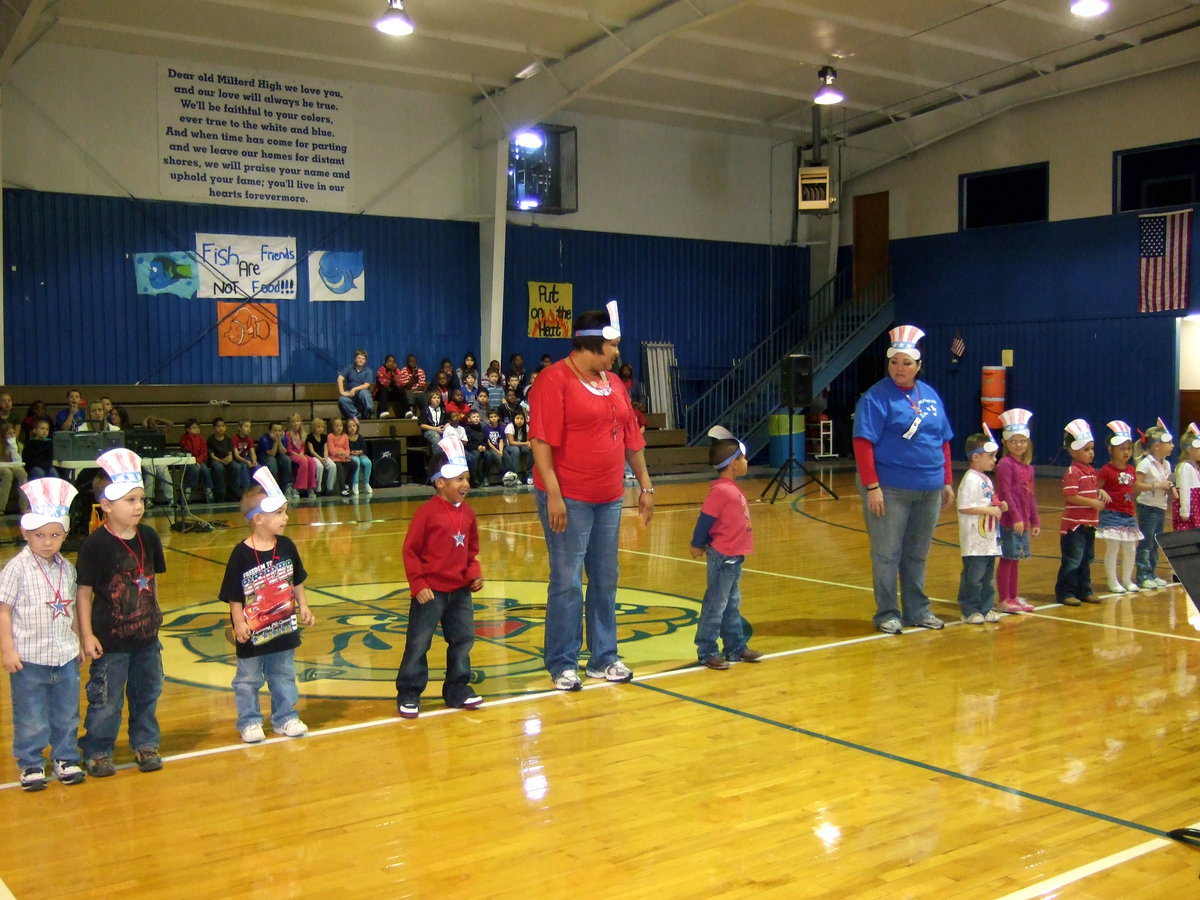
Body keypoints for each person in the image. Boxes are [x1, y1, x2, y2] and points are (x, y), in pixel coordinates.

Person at [529, 301, 653, 691]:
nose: (618, 353)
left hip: (609, 496)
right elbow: (541, 440)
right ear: (591, 344)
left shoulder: (613, 383)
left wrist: (645, 485)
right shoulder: (553, 380)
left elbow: (632, 437)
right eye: (613, 346)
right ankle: (563, 662)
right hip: (570, 497)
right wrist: (553, 493)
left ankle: (604, 657)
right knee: (566, 580)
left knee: (605, 577)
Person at [852, 325, 954, 635]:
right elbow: (862, 443)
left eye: (907, 363)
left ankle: (918, 610)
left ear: (918, 366)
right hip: (890, 489)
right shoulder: (875, 398)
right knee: (886, 554)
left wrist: (947, 480)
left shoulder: (931, 396)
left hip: (930, 488)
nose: (900, 368)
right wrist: (872, 486)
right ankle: (887, 613)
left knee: (916, 554)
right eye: (895, 361)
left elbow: (943, 440)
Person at [77, 448, 168, 777]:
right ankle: (99, 748)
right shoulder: (95, 545)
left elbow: (152, 579)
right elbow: (84, 593)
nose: (139, 506)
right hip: (110, 641)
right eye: (130, 500)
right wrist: (86, 635)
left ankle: (145, 742)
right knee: (107, 699)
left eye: (141, 499)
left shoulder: (149, 536)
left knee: (147, 692)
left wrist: (155, 615)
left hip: (146, 638)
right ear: (107, 505)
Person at [0, 478, 84, 790]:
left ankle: (65, 756)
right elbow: (3, 611)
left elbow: (73, 608)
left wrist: (77, 643)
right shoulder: (16, 569)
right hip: (29, 658)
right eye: (39, 535)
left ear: (64, 535)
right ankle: (31, 761)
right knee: (31, 714)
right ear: (26, 533)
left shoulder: (67, 568)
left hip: (63, 654)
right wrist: (7, 649)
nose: (47, 541)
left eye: (54, 535)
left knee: (66, 711)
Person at [219, 468, 314, 742]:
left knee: (283, 674)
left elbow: (296, 580)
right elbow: (234, 595)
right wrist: (238, 623)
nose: (286, 517)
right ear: (258, 519)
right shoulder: (241, 554)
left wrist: (304, 606)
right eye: (279, 513)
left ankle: (285, 717)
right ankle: (249, 721)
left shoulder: (286, 546)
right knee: (248, 680)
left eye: (286, 511)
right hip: (252, 632)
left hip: (283, 628)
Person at [395, 435, 484, 719]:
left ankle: (457, 688)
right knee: (419, 642)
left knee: (463, 640)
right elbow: (410, 552)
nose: (465, 485)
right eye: (458, 479)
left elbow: (471, 551)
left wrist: (474, 574)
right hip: (431, 591)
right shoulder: (426, 514)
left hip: (460, 591)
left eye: (467, 478)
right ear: (440, 482)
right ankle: (409, 691)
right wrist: (418, 584)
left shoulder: (468, 514)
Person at [688, 428, 761, 669]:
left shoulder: (730, 489)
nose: (746, 462)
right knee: (716, 604)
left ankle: (735, 647)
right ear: (733, 463)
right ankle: (707, 650)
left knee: (731, 604)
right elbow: (705, 519)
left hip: (734, 557)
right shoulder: (720, 491)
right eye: (743, 458)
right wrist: (697, 543)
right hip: (723, 558)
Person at [1056, 419, 1108, 607]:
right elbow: (1071, 496)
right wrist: (1092, 502)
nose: (1091, 452)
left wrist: (1099, 492)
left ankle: (1084, 590)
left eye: (1092, 448)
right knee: (1072, 561)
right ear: (1072, 451)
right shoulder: (1073, 471)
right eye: (1086, 449)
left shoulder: (1091, 471)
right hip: (1074, 525)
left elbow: (1088, 491)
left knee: (1086, 560)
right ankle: (1065, 592)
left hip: (1089, 524)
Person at [956, 430, 1006, 624]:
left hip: (988, 540)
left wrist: (998, 506)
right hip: (974, 541)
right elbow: (964, 507)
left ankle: (986, 608)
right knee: (973, 577)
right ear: (976, 457)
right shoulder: (970, 479)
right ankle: (969, 610)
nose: (995, 460)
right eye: (991, 456)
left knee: (987, 578)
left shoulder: (985, 479)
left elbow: (988, 501)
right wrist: (988, 511)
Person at [994, 408, 1039, 614]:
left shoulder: (1028, 468)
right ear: (1005, 443)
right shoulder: (1005, 464)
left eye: (1022, 441)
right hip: (1010, 522)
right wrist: (1016, 517)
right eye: (1013, 441)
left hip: (1022, 522)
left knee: (1015, 560)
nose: (1018, 445)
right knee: (1008, 559)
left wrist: (1035, 520)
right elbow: (1005, 493)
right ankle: (1004, 598)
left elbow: (1029, 497)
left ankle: (1013, 596)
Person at [1097, 420, 1142, 595]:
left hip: (1129, 514)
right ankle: (1112, 581)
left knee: (1131, 548)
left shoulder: (1131, 469)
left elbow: (1132, 488)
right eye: (1121, 449)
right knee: (1113, 547)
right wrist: (1100, 492)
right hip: (1112, 514)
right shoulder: (1106, 471)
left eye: (1128, 449)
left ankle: (1126, 579)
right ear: (1111, 449)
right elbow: (1095, 487)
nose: (1126, 452)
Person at [1134, 421, 1175, 590]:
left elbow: (1165, 482)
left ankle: (1152, 572)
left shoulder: (1166, 464)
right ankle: (1143, 574)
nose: (1172, 446)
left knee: (1156, 541)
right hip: (1147, 507)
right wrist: (1156, 486)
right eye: (1169, 443)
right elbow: (1137, 485)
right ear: (1157, 446)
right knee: (1146, 541)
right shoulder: (1145, 463)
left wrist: (1170, 488)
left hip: (1160, 507)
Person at [209, 416, 249, 502]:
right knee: (218, 468)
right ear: (214, 428)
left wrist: (229, 459)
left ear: (225, 427)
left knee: (236, 467)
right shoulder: (211, 439)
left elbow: (230, 453)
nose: (221, 428)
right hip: (216, 460)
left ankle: (233, 492)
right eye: (218, 426)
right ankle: (220, 493)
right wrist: (220, 461)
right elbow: (212, 455)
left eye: (222, 426)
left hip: (227, 459)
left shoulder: (228, 438)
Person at [178, 418, 215, 503]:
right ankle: (188, 490)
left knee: (204, 469)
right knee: (195, 469)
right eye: (194, 427)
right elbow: (187, 449)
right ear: (188, 429)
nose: (197, 429)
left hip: (199, 460)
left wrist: (198, 461)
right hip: (188, 460)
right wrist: (191, 437)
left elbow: (203, 452)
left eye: (198, 427)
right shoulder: (184, 438)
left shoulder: (201, 439)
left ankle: (208, 490)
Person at [284, 413, 319, 499]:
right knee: (303, 461)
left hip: (300, 454)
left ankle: (310, 487)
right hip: (292, 455)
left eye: (298, 421)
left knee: (312, 461)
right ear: (290, 423)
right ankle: (297, 488)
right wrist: (299, 455)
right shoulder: (288, 434)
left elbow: (303, 447)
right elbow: (289, 449)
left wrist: (302, 453)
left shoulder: (302, 434)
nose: (296, 423)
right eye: (293, 421)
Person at [1173, 423, 1200, 531]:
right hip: (1189, 511)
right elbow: (1184, 490)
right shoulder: (1185, 467)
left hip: (1196, 509)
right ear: (1190, 449)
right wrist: (1185, 511)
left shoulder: (1195, 467)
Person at [257, 421, 294, 498]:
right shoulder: (264, 439)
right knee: (272, 461)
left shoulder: (283, 438)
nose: (277, 433)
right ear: (270, 431)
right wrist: (276, 441)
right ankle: (271, 488)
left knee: (286, 459)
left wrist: (279, 440)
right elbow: (272, 454)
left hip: (278, 457)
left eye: (280, 431)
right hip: (265, 458)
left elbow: (283, 452)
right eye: (275, 430)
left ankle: (287, 487)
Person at [336, 349, 375, 421]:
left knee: (364, 392)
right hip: (351, 395)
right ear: (355, 359)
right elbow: (340, 378)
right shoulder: (349, 368)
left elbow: (366, 385)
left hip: (362, 394)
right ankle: (357, 416)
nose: (361, 360)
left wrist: (354, 389)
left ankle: (369, 412)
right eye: (359, 358)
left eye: (363, 359)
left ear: (365, 361)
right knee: (342, 399)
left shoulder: (368, 371)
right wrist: (342, 392)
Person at [0, 422, 29, 514]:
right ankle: (1, 508)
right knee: (7, 473)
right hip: (2, 466)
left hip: (14, 465)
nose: (12, 435)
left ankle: (24, 507)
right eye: (9, 433)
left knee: (22, 473)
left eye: (13, 433)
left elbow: (18, 461)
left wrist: (14, 449)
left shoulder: (19, 445)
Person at [306, 417, 336, 496]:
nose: (320, 429)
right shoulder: (310, 437)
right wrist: (320, 458)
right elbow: (311, 451)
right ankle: (318, 489)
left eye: (322, 427)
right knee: (319, 467)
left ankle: (330, 488)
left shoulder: (324, 437)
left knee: (333, 466)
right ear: (313, 427)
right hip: (314, 456)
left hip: (323, 456)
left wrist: (325, 457)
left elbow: (325, 448)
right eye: (318, 427)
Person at [326, 417, 356, 497]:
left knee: (354, 464)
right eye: (336, 426)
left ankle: (347, 484)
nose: (339, 428)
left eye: (340, 426)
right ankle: (342, 489)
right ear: (332, 427)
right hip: (335, 458)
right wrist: (340, 453)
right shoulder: (330, 436)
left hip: (344, 457)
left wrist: (346, 454)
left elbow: (347, 449)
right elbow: (331, 450)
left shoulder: (345, 436)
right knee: (339, 466)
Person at [504, 409, 533, 484]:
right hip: (509, 447)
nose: (519, 421)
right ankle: (515, 475)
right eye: (517, 418)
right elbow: (511, 442)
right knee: (515, 450)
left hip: (522, 445)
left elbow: (527, 440)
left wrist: (529, 444)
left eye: (521, 419)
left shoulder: (526, 426)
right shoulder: (510, 426)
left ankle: (529, 475)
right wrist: (525, 443)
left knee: (529, 449)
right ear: (513, 419)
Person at [345, 417, 372, 496]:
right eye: (349, 426)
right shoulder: (345, 437)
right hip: (351, 455)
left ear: (357, 427)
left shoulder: (360, 437)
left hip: (360, 455)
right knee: (356, 461)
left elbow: (365, 449)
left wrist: (360, 451)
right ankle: (355, 484)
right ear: (346, 428)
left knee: (368, 463)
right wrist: (351, 452)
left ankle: (366, 483)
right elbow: (345, 448)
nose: (352, 428)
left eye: (354, 426)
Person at [374, 354, 405, 419]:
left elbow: (400, 383)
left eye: (393, 362)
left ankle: (406, 411)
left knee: (401, 389)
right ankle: (381, 411)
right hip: (380, 393)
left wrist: (394, 372)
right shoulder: (381, 370)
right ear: (385, 363)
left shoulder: (397, 370)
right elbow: (384, 384)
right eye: (389, 361)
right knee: (385, 388)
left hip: (391, 393)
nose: (391, 363)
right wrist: (390, 372)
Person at [481, 409, 508, 486]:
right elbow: (489, 442)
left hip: (500, 447)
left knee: (507, 457)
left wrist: (501, 451)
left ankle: (510, 475)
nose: (493, 418)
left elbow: (501, 440)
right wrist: (497, 451)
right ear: (488, 419)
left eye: (495, 416)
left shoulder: (501, 427)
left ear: (498, 417)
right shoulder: (485, 428)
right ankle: (503, 477)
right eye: (491, 417)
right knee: (498, 458)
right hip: (491, 448)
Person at [397, 354, 428, 419]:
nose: (413, 363)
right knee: (408, 394)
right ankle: (411, 414)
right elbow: (406, 387)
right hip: (408, 393)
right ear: (407, 362)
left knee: (423, 395)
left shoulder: (421, 371)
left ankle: (425, 416)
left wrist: (412, 390)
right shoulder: (403, 371)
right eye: (411, 361)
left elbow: (422, 386)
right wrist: (413, 376)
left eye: (414, 361)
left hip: (418, 392)